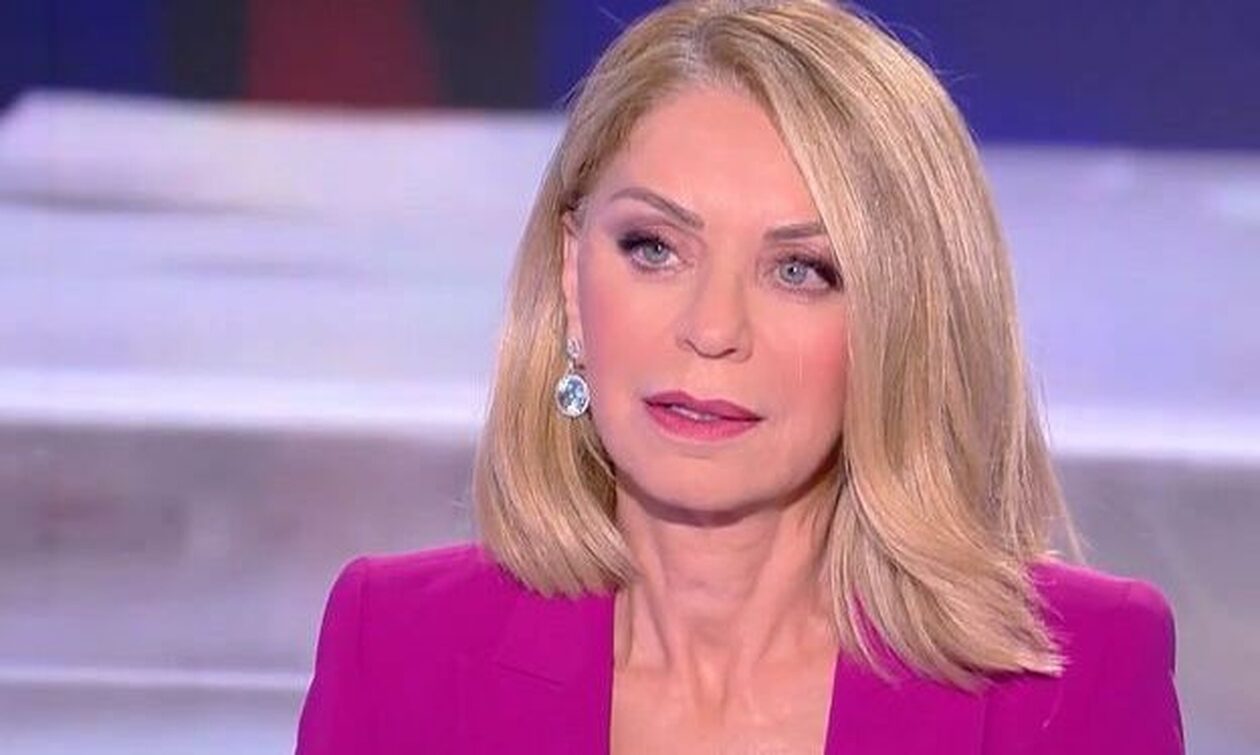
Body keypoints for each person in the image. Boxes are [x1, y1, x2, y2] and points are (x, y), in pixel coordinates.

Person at [295, 1, 1184, 753]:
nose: (712, 329)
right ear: (571, 272)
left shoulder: (1075, 679)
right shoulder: (398, 646)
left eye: (800, 269)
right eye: (654, 248)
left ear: (903, 322)